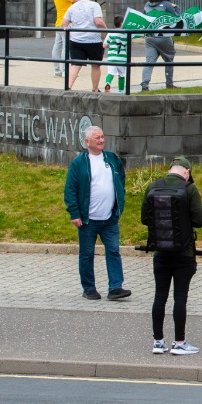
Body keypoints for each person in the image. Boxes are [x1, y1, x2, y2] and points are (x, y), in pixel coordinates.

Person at [141, 156, 202, 356]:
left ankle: (158, 342)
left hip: (160, 252)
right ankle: (179, 342)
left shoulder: (153, 187)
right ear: (186, 172)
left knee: (160, 296)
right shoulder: (189, 189)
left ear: (171, 169)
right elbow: (199, 220)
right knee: (180, 297)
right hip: (183, 253)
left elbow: (145, 218)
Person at [64, 125, 131, 301]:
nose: (101, 140)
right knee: (87, 254)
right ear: (87, 142)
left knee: (114, 251)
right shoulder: (79, 163)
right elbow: (70, 189)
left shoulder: (111, 159)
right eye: (97, 138)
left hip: (109, 218)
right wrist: (75, 213)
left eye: (102, 137)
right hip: (88, 220)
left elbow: (121, 180)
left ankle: (115, 287)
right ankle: (89, 288)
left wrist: (119, 202)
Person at [61, 0, 108, 92]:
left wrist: (68, 35)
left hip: (76, 40)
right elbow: (98, 22)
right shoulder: (94, 5)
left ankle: (68, 87)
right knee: (96, 65)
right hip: (93, 41)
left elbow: (64, 23)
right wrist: (106, 30)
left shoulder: (73, 6)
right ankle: (95, 89)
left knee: (75, 65)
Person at [140, 0, 180, 92]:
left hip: (149, 37)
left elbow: (144, 18)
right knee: (169, 60)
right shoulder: (166, 4)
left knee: (149, 61)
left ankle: (145, 84)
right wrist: (176, 8)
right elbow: (176, 18)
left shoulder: (147, 5)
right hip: (163, 36)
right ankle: (169, 84)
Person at [51, 0, 73, 78]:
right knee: (66, 47)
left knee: (57, 46)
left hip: (58, 22)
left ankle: (57, 70)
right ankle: (65, 70)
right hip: (66, 23)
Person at [102, 14, 128, 93]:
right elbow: (127, 43)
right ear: (121, 23)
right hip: (121, 58)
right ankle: (120, 91)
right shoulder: (125, 34)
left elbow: (104, 45)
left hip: (111, 58)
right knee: (121, 75)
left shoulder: (110, 33)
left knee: (110, 73)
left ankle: (107, 85)